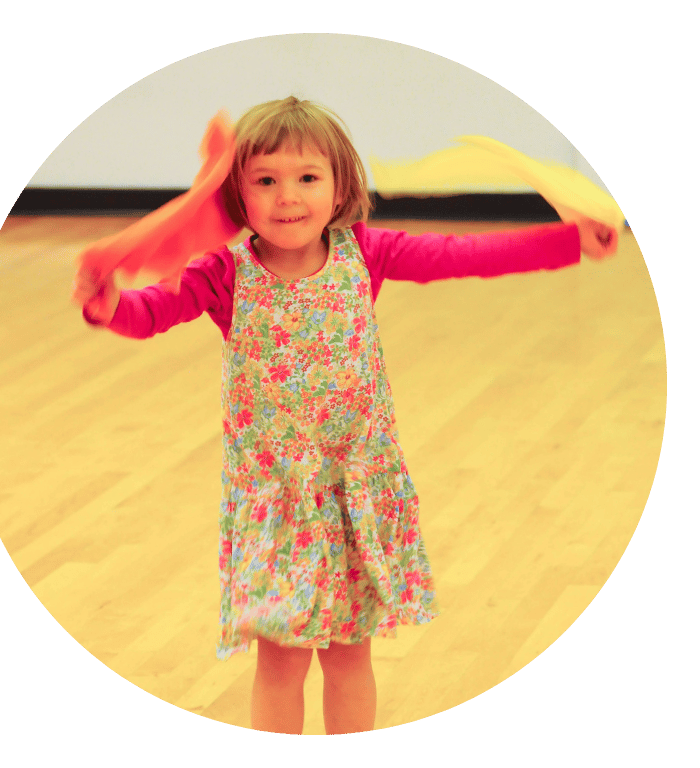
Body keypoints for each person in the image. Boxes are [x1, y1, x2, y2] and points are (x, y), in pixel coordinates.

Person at [74, 96, 616, 735]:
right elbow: (153, 313)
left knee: (349, 657)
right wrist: (110, 307)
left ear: (339, 189)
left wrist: (568, 241)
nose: (287, 197)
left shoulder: (365, 253)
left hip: (354, 492)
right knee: (279, 665)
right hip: (276, 501)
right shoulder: (225, 273)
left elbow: (465, 254)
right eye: (266, 181)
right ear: (237, 196)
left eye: (307, 178)